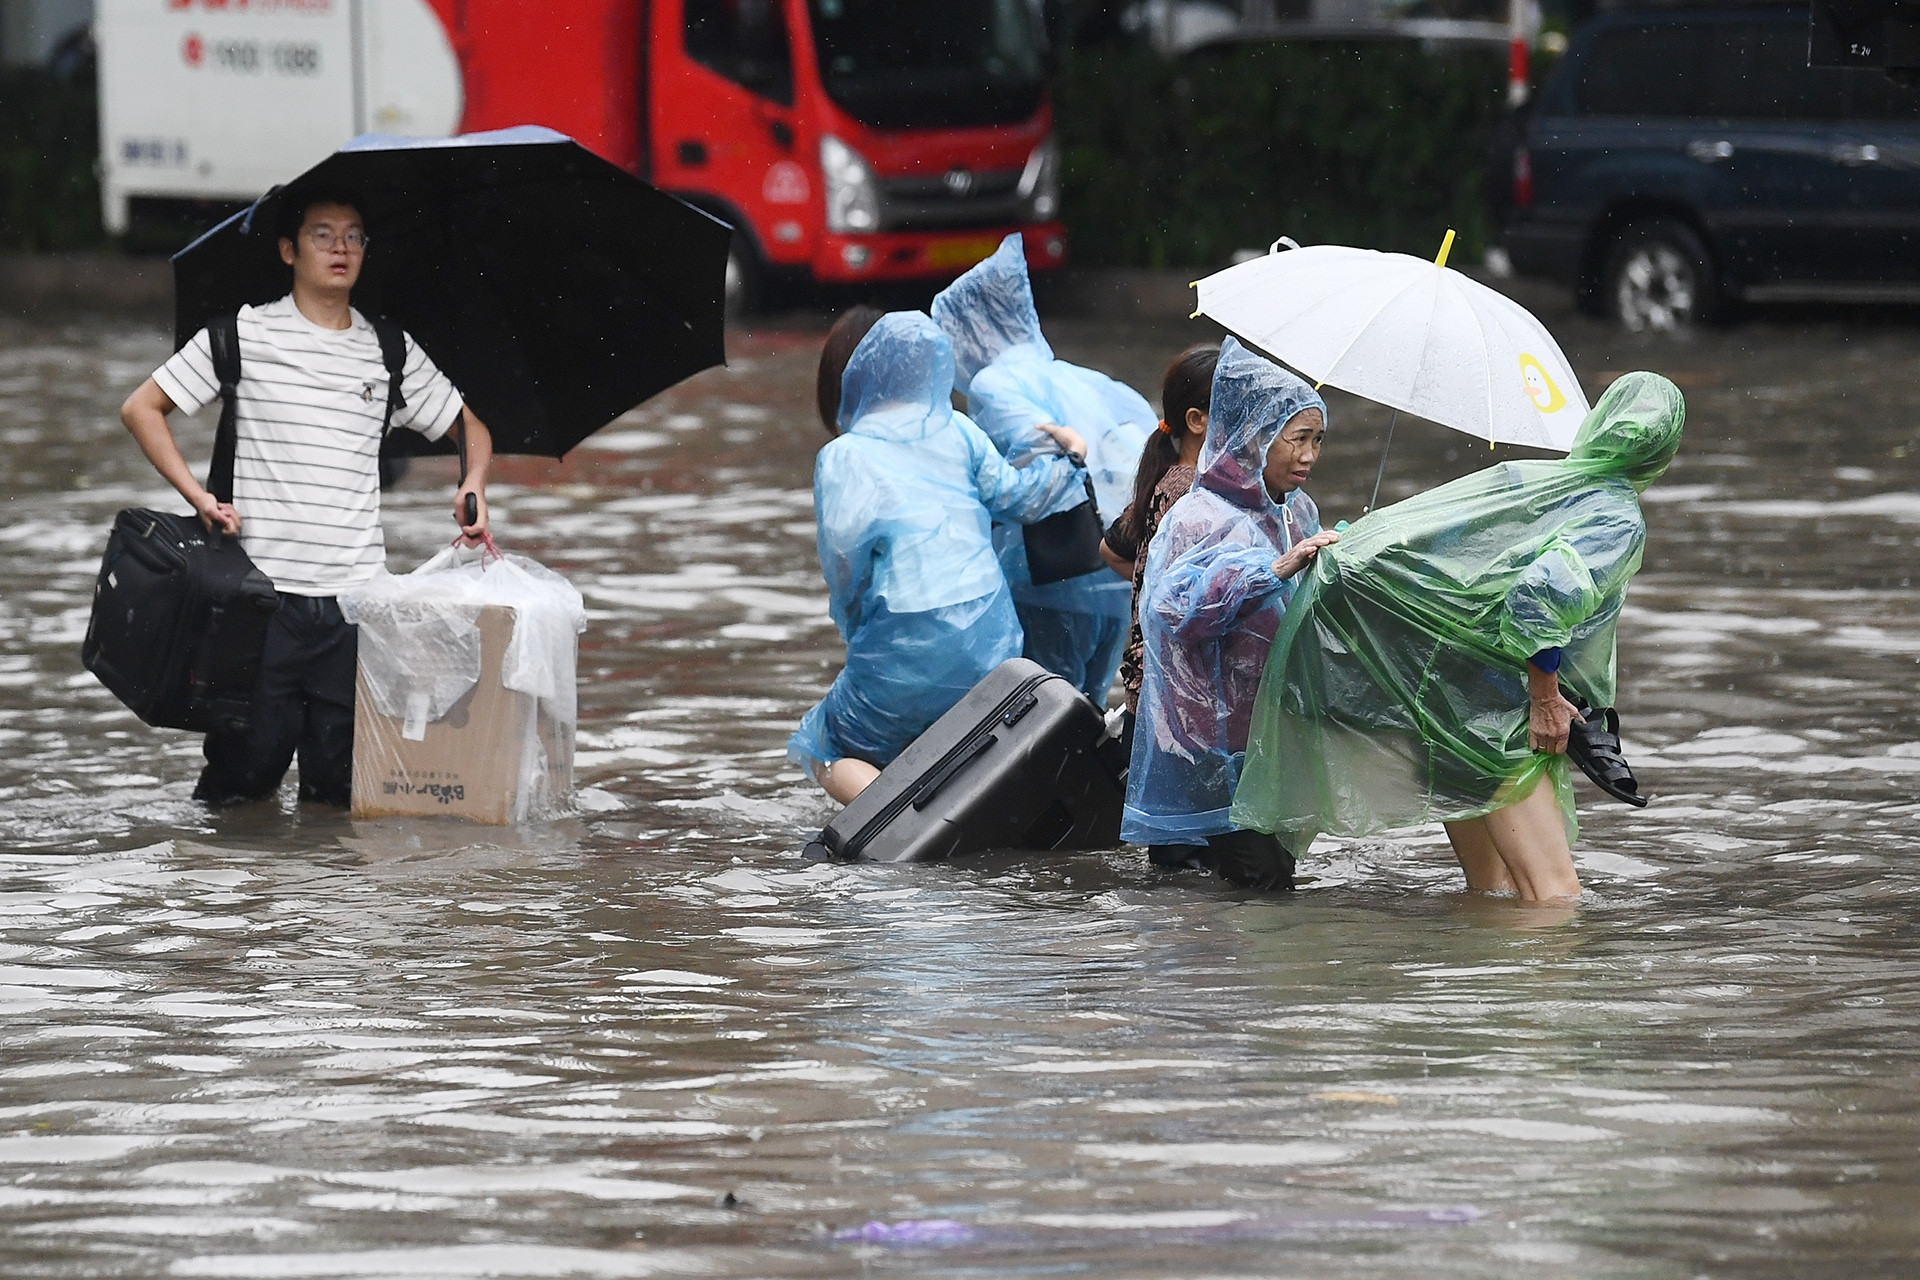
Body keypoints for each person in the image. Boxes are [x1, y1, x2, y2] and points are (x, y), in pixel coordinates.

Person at [1230, 372, 1686, 903]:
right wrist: (1544, 698)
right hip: (1487, 711)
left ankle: (1470, 960)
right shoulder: (1616, 518)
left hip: (1433, 696)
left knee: (1491, 890)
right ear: (1664, 451)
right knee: (1554, 896)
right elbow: (1536, 599)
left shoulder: (1529, 479)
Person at [119, 191, 493, 808]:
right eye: (322, 234)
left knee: (341, 797)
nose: (340, 247)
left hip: (357, 608)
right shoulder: (242, 335)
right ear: (289, 250)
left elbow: (470, 426)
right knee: (239, 791)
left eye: (353, 235)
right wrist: (199, 496)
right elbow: (141, 408)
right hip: (259, 603)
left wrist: (472, 480)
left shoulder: (390, 351)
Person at [789, 308, 1089, 805]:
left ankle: (887, 817)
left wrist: (858, 629)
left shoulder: (844, 456)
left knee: (823, 742)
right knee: (953, 719)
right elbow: (1021, 499)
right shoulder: (959, 429)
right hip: (994, 643)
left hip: (901, 644)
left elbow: (844, 568)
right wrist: (1070, 457)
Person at [1123, 338, 1338, 889]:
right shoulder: (1199, 513)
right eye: (1297, 438)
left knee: (1262, 877)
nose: (1309, 455)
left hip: (1268, 726)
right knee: (1257, 884)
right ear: (1255, 436)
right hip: (1207, 735)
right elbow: (1177, 610)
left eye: (1317, 439)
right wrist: (1272, 570)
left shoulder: (1296, 511)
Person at [931, 234, 1155, 705]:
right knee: (1089, 712)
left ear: (971, 329)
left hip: (1051, 585)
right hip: (1116, 576)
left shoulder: (993, 385)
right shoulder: (1085, 379)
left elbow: (1031, 485)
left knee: (1042, 719)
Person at [1098, 342, 1217, 760]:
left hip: (1149, 681)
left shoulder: (1168, 477)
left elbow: (1112, 548)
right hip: (1169, 691)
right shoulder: (1191, 493)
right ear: (1197, 420)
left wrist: (1151, 584)